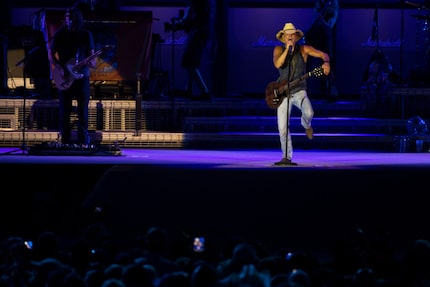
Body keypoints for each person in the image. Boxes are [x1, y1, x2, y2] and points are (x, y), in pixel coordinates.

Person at [272, 22, 330, 166]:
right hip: (283, 92)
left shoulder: (304, 49)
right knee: (282, 127)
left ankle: (306, 124)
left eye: (292, 34)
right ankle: (286, 156)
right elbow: (278, 64)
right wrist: (287, 50)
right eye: (287, 35)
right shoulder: (278, 50)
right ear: (284, 37)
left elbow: (323, 54)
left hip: (299, 91)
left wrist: (326, 62)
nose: (290, 37)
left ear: (296, 37)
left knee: (309, 112)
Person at [48, 7, 96, 146]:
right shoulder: (60, 34)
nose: (69, 19)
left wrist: (91, 62)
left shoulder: (86, 34)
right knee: (65, 110)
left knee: (82, 110)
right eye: (67, 16)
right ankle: (65, 141)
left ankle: (83, 141)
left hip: (82, 76)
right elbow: (50, 54)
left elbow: (92, 58)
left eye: (71, 17)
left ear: (77, 18)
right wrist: (59, 68)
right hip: (64, 77)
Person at [305, 0, 339, 101]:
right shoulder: (319, 3)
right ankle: (304, 92)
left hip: (326, 37)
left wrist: (322, 21)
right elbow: (314, 17)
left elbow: (331, 24)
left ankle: (330, 92)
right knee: (308, 64)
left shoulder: (333, 2)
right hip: (314, 36)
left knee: (327, 63)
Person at [177, 0, 212, 100]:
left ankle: (205, 91)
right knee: (191, 62)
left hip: (197, 33)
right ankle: (188, 88)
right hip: (203, 32)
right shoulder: (206, 4)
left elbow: (187, 17)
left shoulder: (193, 2)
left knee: (190, 63)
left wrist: (179, 21)